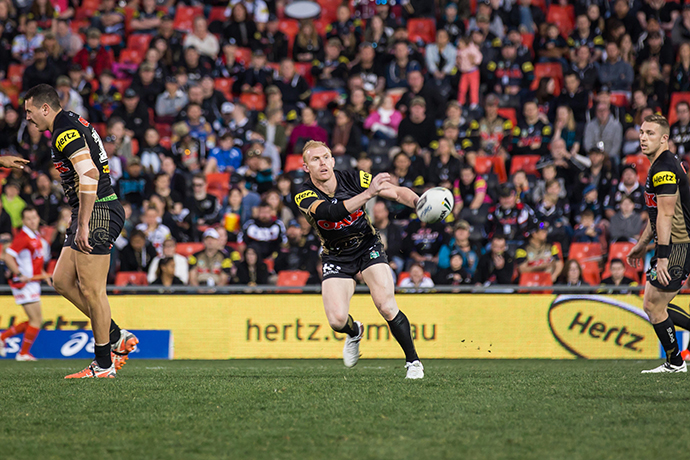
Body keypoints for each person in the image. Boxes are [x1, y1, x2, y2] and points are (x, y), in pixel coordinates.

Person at [23, 84, 137, 378]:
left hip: (97, 209)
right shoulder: (70, 120)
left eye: (29, 111)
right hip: (87, 209)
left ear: (45, 108)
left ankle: (104, 364)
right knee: (61, 280)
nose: (28, 118)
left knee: (92, 290)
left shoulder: (64, 132)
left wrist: (84, 222)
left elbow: (89, 173)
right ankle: (116, 336)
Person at [294, 140, 424, 378]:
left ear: (333, 161)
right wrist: (368, 194)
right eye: (315, 159)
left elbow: (395, 191)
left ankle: (413, 362)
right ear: (306, 167)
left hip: (367, 246)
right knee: (336, 320)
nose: (322, 163)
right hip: (336, 255)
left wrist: (419, 202)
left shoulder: (355, 178)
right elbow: (331, 213)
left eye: (326, 157)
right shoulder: (302, 194)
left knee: (386, 305)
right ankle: (354, 332)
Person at [626, 114, 690, 373]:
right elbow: (657, 215)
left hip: (677, 245)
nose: (643, 137)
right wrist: (642, 245)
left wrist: (662, 256)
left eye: (650, 133)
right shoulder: (664, 163)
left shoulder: (663, 169)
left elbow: (665, 215)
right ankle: (675, 362)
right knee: (653, 303)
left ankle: (675, 363)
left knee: (653, 305)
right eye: (642, 132)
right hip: (673, 243)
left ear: (664, 138)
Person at [0, 208, 52, 360]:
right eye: (29, 219)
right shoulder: (23, 237)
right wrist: (19, 274)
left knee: (34, 320)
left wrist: (43, 274)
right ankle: (22, 353)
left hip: (33, 281)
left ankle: (3, 338)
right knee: (36, 320)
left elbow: (35, 260)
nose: (33, 221)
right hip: (24, 284)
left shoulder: (35, 236)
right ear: (23, 221)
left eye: (34, 217)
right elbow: (7, 256)